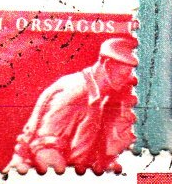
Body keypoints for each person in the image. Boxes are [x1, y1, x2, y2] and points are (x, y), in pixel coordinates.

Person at [8, 35, 139, 172]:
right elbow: (45, 151)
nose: (129, 80)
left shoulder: (98, 96)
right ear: (107, 65)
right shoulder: (77, 92)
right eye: (124, 74)